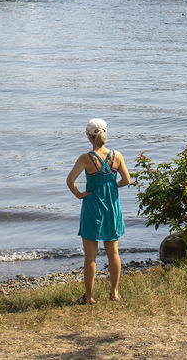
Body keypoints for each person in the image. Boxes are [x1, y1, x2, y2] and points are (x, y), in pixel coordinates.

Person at [66, 118, 131, 304]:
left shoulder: (86, 158)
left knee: (90, 256)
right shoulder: (116, 156)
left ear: (88, 136)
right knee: (113, 252)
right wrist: (112, 186)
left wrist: (79, 195)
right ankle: (115, 292)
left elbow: (70, 181)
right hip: (112, 207)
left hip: (92, 208)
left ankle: (89, 297)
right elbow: (127, 180)